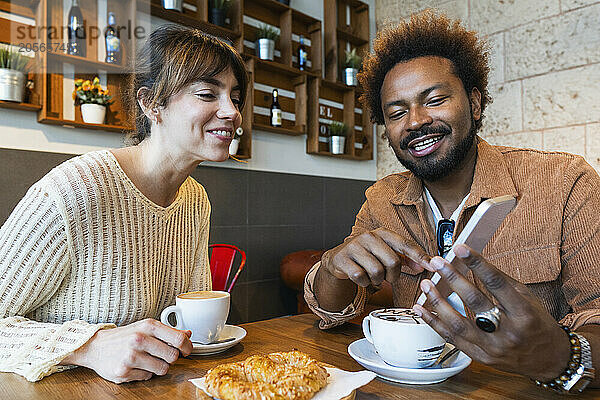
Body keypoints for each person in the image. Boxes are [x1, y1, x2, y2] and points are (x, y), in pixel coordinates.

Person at [304, 11, 599, 393]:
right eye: (396, 113)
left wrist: (559, 356)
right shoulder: (382, 200)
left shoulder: (564, 182)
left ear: (474, 104)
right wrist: (331, 267)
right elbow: (331, 312)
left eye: (435, 100)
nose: (414, 121)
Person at [0, 25, 248, 383]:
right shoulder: (77, 188)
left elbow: (190, 321)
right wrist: (87, 346)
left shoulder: (195, 200)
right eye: (209, 94)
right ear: (151, 103)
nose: (232, 112)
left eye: (235, 98)